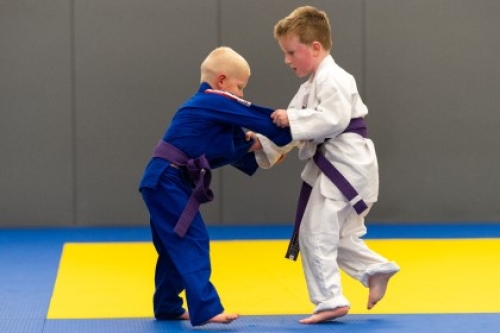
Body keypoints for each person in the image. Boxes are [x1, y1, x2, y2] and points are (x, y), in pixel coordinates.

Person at [254, 6, 400, 324]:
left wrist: (291, 118)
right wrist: (263, 143)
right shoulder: (310, 87)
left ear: (316, 47)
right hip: (340, 168)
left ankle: (330, 299)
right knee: (333, 236)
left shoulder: (335, 78)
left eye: (292, 52)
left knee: (315, 232)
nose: (287, 60)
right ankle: (375, 270)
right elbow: (291, 130)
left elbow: (331, 120)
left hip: (346, 167)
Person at [138, 46, 292, 327]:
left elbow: (236, 147)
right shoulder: (214, 101)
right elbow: (262, 121)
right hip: (167, 180)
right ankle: (206, 308)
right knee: (192, 240)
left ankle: (168, 306)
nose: (242, 95)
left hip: (164, 181)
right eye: (240, 86)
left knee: (174, 244)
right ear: (222, 81)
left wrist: (265, 147)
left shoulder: (207, 111)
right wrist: (302, 124)